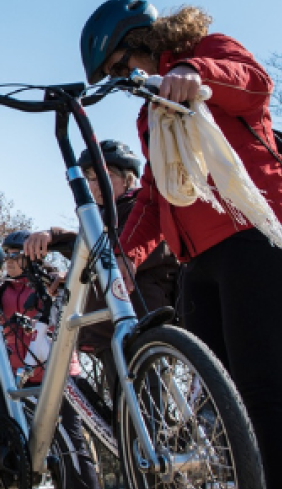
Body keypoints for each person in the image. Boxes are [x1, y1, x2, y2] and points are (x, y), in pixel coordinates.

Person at [80, 0, 282, 489]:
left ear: (141, 39)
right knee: (218, 400)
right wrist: (122, 257)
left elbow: (254, 85)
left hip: (261, 235)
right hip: (199, 260)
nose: (123, 79)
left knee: (263, 384)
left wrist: (194, 73)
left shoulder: (205, 54)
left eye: (120, 66)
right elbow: (157, 198)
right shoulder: (150, 111)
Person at [0, 230, 110, 489]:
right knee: (27, 450)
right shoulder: (0, 292)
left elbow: (71, 295)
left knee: (72, 448)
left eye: (14, 254)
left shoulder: (50, 281)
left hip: (60, 378)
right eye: (5, 255)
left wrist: (58, 284)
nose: (8, 261)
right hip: (23, 383)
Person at [23, 139, 180, 354]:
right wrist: (52, 237)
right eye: (91, 179)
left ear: (127, 179)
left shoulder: (139, 211)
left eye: (106, 177)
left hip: (142, 321)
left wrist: (58, 238)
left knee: (148, 387)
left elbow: (106, 252)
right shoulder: (99, 217)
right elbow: (89, 250)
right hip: (106, 330)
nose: (96, 186)